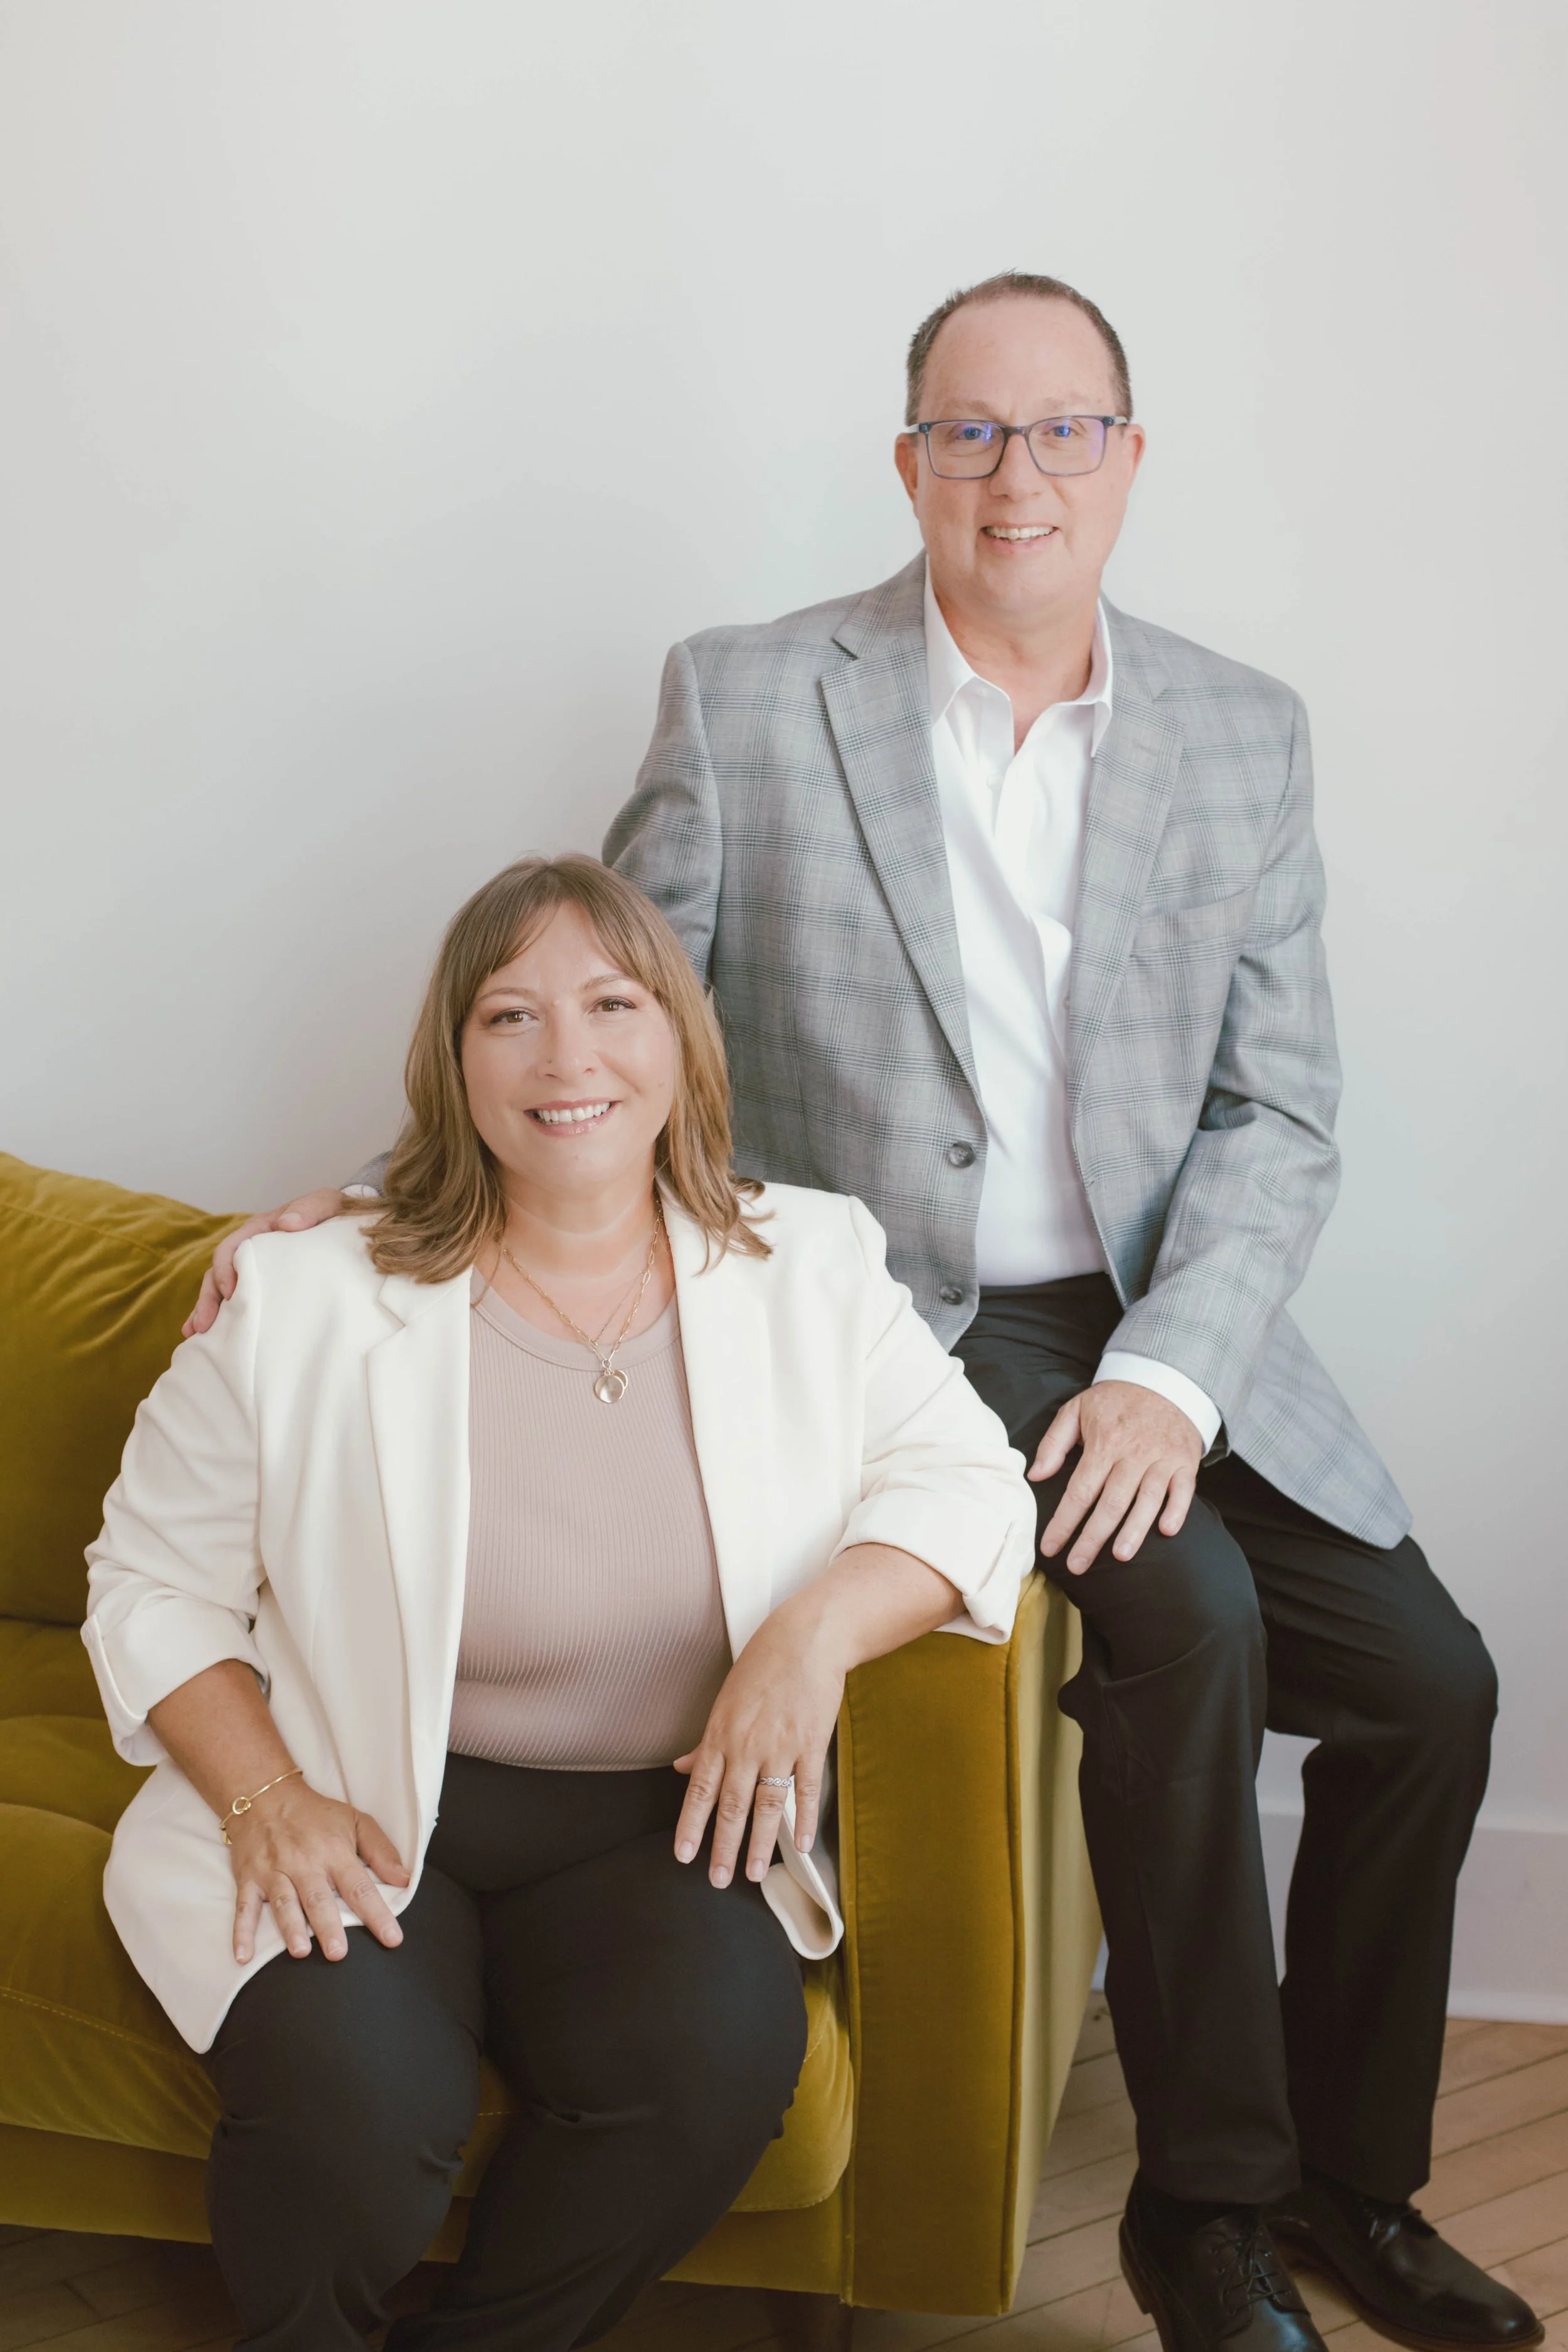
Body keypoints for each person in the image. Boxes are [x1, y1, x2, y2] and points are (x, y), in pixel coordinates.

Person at [187, 278, 1541, 2352]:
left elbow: (1280, 1112)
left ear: (1130, 457)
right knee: (1188, 1623)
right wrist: (400, 1192)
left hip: (1167, 1321)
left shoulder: (1241, 730)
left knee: (1433, 1688)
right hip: (897, 1312)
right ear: (908, 460)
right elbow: (619, 1022)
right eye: (971, 433)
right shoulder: (750, 698)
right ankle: (1208, 2214)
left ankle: (1355, 2183)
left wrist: (1175, 1373)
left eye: (1063, 430)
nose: (1019, 475)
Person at [86, 855, 1036, 2352]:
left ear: (679, 1038)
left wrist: (808, 1637)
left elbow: (977, 1489)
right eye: (509, 1017)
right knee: (355, 2117)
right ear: (454, 1063)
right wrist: (263, 1794)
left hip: (668, 1817)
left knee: (710, 2064)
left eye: (611, 1003)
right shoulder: (305, 1295)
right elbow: (148, 1580)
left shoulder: (813, 1265)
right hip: (364, 1798)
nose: (567, 1057)